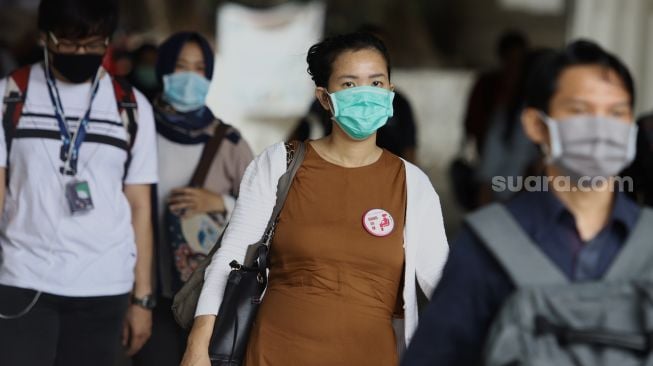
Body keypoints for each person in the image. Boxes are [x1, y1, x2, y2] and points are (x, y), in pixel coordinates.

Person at [180, 31, 449, 366]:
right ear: (324, 98)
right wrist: (198, 343)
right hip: (275, 352)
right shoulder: (279, 164)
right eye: (350, 84)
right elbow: (231, 258)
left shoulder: (412, 184)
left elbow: (445, 282)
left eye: (376, 83)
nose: (366, 94)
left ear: (391, 92)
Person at [403, 40, 644, 365]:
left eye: (617, 112)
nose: (601, 129)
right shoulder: (487, 245)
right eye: (580, 111)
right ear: (537, 125)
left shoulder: (648, 241)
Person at [0, 1, 158, 365]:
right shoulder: (12, 95)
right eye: (69, 43)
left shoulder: (131, 107)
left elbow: (139, 205)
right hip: (23, 277)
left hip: (104, 285)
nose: (81, 53)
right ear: (45, 37)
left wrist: (143, 298)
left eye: (93, 44)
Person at [131, 31, 253, 366]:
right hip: (146, 294)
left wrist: (222, 204)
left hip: (207, 298)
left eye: (199, 68)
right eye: (181, 66)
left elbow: (265, 214)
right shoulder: (137, 132)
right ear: (164, 70)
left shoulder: (228, 142)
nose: (190, 77)